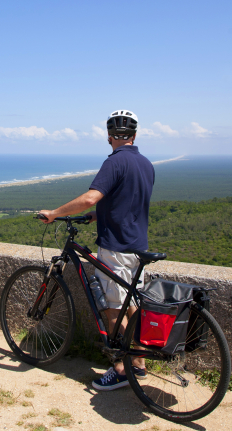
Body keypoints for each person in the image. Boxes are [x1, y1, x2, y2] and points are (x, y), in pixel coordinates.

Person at [38, 110, 154, 391]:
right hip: (138, 246)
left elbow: (92, 197)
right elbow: (128, 203)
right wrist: (97, 217)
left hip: (115, 248)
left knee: (113, 308)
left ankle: (120, 369)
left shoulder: (114, 162)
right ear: (135, 136)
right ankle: (138, 363)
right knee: (133, 307)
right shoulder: (146, 164)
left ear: (109, 136)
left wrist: (54, 213)